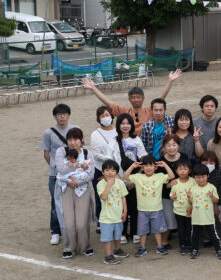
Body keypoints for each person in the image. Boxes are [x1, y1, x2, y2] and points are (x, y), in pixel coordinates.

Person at [80, 69, 182, 130]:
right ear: (129, 100)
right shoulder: (124, 112)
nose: (136, 100)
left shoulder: (149, 111)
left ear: (143, 99)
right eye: (133, 98)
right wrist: (94, 88)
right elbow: (108, 103)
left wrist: (170, 81)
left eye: (138, 97)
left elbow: (161, 98)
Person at [54, 128, 95, 258]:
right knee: (68, 222)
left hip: (82, 188)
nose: (72, 142)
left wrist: (77, 181)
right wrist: (78, 166)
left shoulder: (88, 153)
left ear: (81, 140)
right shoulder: (61, 151)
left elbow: (91, 174)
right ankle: (69, 248)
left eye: (76, 139)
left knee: (82, 223)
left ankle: (85, 246)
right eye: (70, 139)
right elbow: (61, 169)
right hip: (64, 188)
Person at [42, 103, 78, 245]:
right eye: (59, 114)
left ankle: (71, 228)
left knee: (74, 201)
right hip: (55, 175)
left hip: (73, 173)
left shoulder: (75, 129)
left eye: (65, 114)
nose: (62, 117)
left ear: (69, 115)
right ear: (54, 116)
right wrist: (55, 167)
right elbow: (46, 153)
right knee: (56, 202)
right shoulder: (48, 133)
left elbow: (80, 149)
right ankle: (56, 231)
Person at [125, 155, 173, 257]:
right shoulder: (138, 177)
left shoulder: (160, 176)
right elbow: (125, 176)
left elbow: (171, 176)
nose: (148, 168)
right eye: (146, 166)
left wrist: (165, 165)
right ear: (142, 167)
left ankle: (159, 247)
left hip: (157, 209)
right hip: (142, 210)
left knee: (157, 230)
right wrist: (133, 166)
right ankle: (142, 248)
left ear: (155, 167)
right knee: (142, 231)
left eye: (151, 165)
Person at [111, 113, 147, 244]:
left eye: (128, 123)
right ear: (118, 125)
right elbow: (111, 162)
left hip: (135, 180)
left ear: (132, 125)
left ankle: (135, 231)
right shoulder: (113, 141)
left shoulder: (137, 140)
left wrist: (137, 178)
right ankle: (122, 232)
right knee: (120, 207)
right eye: (122, 123)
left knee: (135, 206)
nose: (125, 126)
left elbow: (143, 159)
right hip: (118, 180)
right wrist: (119, 179)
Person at [156, 134, 187, 250]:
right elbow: (157, 182)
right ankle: (164, 241)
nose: (171, 148)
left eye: (174, 145)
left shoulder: (184, 157)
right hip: (166, 195)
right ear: (164, 147)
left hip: (183, 194)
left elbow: (188, 173)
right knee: (168, 218)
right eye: (168, 145)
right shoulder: (160, 162)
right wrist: (168, 185)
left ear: (178, 145)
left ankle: (186, 241)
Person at [187, 163, 221, 260]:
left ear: (208, 176)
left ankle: (219, 250)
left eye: (203, 177)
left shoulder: (211, 187)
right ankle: (194, 250)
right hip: (196, 218)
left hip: (208, 217)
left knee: (213, 235)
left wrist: (212, 196)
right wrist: (189, 197)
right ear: (194, 177)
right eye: (198, 177)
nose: (201, 179)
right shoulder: (193, 188)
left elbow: (216, 200)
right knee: (195, 235)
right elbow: (191, 202)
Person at [96, 159, 129, 265]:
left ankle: (117, 250)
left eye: (113, 170)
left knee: (118, 235)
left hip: (118, 216)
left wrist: (125, 212)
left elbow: (123, 197)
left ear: (117, 172)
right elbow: (103, 197)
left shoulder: (120, 183)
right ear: (102, 172)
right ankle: (108, 256)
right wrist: (108, 185)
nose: (110, 173)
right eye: (107, 170)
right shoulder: (100, 184)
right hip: (106, 218)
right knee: (107, 238)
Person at [90, 106, 117, 224]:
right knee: (100, 195)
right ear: (98, 118)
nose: (105, 118)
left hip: (117, 169)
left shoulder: (118, 131)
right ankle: (100, 222)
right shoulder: (95, 134)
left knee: (116, 194)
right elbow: (96, 155)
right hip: (100, 169)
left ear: (111, 116)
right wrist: (110, 159)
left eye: (107, 115)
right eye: (102, 116)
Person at [168, 158, 194, 255]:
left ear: (189, 170)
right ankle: (182, 245)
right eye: (180, 169)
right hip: (178, 210)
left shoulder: (193, 181)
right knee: (181, 229)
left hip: (190, 210)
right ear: (176, 171)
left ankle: (190, 244)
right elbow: (171, 194)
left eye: (185, 169)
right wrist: (172, 197)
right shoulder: (175, 182)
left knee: (189, 228)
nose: (182, 171)